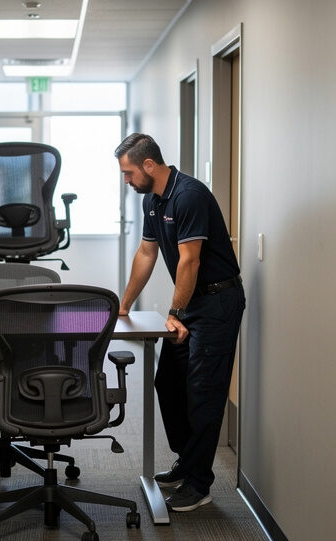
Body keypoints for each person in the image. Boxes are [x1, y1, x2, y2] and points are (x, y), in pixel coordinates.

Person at [114, 133, 245, 512]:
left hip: (217, 302)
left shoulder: (189, 195)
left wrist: (176, 314)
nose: (126, 180)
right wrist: (124, 305)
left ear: (149, 166)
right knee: (169, 381)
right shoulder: (152, 201)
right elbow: (146, 252)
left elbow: (190, 261)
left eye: (128, 173)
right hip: (192, 302)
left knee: (203, 390)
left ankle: (199, 483)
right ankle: (187, 464)